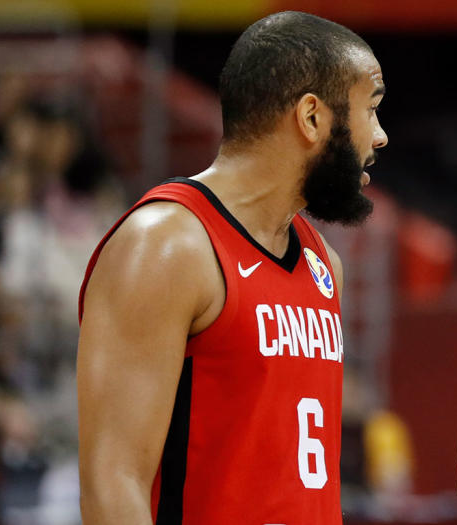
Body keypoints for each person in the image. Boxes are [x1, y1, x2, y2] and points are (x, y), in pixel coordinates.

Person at [76, 11, 387, 524]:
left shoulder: (321, 262)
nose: (379, 136)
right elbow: (113, 484)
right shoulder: (166, 247)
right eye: (370, 109)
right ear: (312, 117)